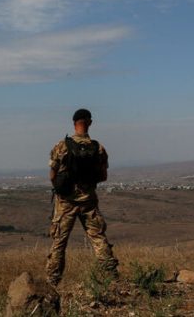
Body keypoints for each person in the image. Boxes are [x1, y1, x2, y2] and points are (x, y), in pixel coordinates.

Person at [45, 108, 119, 286]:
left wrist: (64, 187)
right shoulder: (98, 148)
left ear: (74, 123)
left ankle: (52, 283)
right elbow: (103, 176)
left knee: (59, 243)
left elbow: (52, 175)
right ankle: (111, 279)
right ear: (90, 122)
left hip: (65, 202)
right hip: (88, 201)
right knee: (98, 238)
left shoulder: (61, 146)